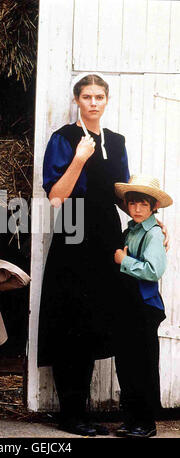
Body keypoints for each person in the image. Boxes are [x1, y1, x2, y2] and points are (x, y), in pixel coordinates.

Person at [37, 73, 168, 437]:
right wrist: (79, 159)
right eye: (87, 96)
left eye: (99, 97)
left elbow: (124, 196)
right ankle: (73, 415)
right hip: (74, 230)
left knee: (114, 319)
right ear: (77, 100)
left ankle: (136, 416)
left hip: (109, 235)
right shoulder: (63, 139)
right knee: (72, 320)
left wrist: (154, 222)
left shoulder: (117, 141)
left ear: (106, 101)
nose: (93, 103)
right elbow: (55, 197)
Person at [113, 175, 173, 438]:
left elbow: (153, 270)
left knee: (144, 365)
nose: (137, 209)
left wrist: (123, 260)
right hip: (127, 305)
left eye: (143, 204)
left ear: (153, 207)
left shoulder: (153, 233)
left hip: (145, 306)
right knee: (126, 364)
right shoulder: (131, 230)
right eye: (133, 203)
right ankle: (131, 418)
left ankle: (146, 422)